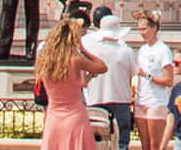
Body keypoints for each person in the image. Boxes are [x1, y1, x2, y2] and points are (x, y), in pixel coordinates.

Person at [37, 18, 107, 150]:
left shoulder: (44, 62)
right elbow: (102, 67)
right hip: (75, 117)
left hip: (53, 118)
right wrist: (83, 49)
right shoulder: (76, 60)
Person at [92, 16, 135, 149]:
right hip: (120, 99)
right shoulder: (126, 51)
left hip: (96, 99)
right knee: (121, 143)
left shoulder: (92, 50)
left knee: (98, 143)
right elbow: (132, 73)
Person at [133, 11, 173, 150]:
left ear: (154, 28)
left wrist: (147, 75)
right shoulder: (143, 49)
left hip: (156, 102)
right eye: (140, 30)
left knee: (154, 145)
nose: (142, 33)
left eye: (144, 29)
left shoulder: (163, 50)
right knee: (145, 145)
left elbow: (168, 80)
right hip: (141, 100)